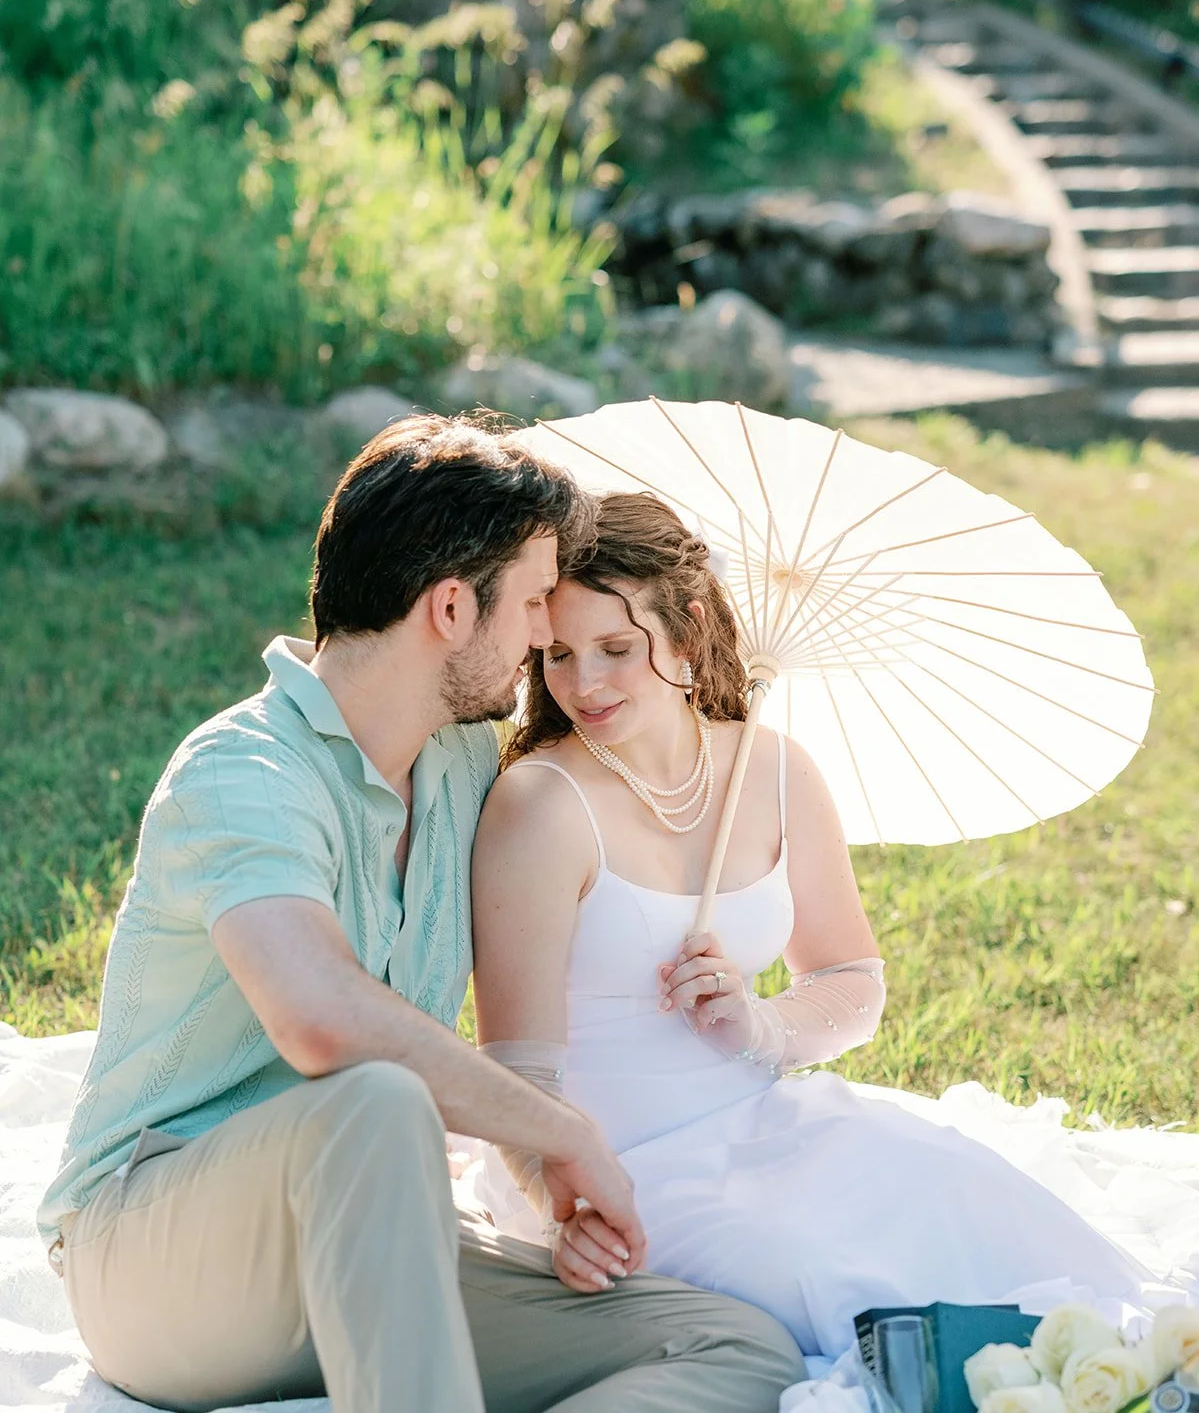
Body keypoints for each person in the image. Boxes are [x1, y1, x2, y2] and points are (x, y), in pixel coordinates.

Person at [37, 418, 805, 1413]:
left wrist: (545, 1178)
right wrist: (562, 1133)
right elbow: (322, 1020)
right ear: (450, 606)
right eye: (534, 603)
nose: (543, 635)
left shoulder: (459, 771)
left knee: (733, 1344)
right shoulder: (242, 771)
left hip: (374, 1235)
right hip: (155, 1265)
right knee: (375, 1096)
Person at [469, 489, 1154, 1359]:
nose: (583, 684)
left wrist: (758, 1025)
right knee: (823, 1277)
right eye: (558, 655)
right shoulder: (540, 806)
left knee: (978, 1202)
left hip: (766, 1125)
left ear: (684, 629)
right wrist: (561, 1205)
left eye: (615, 648)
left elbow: (851, 982)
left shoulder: (775, 770)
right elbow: (515, 1070)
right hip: (616, 1165)